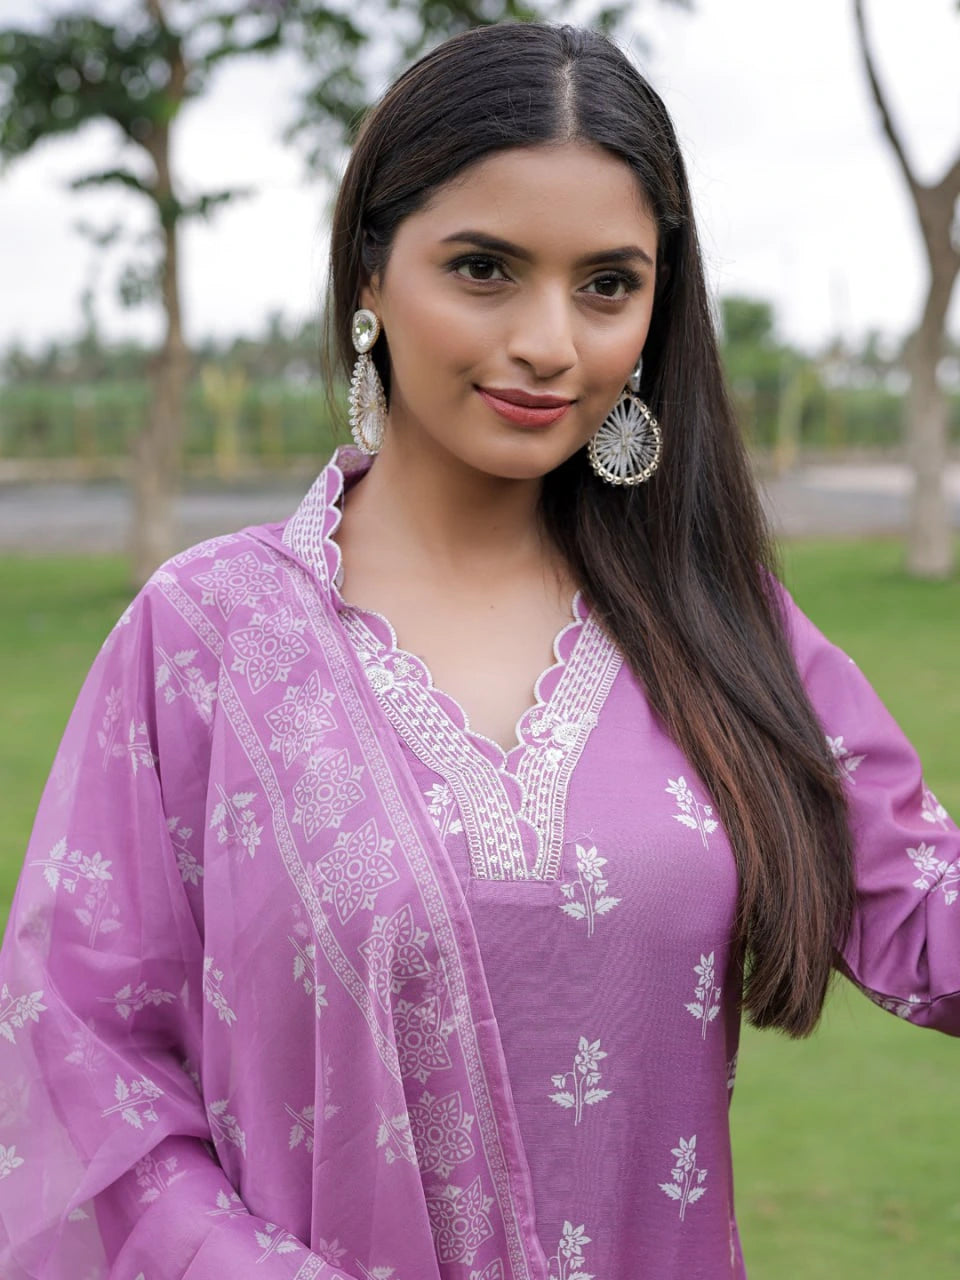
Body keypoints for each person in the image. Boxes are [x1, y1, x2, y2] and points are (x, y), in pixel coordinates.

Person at [0, 19, 956, 1279]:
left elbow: (925, 913)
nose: (552, 341)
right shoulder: (206, 639)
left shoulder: (719, 622)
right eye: (486, 269)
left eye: (608, 283)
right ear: (370, 277)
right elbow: (82, 1051)